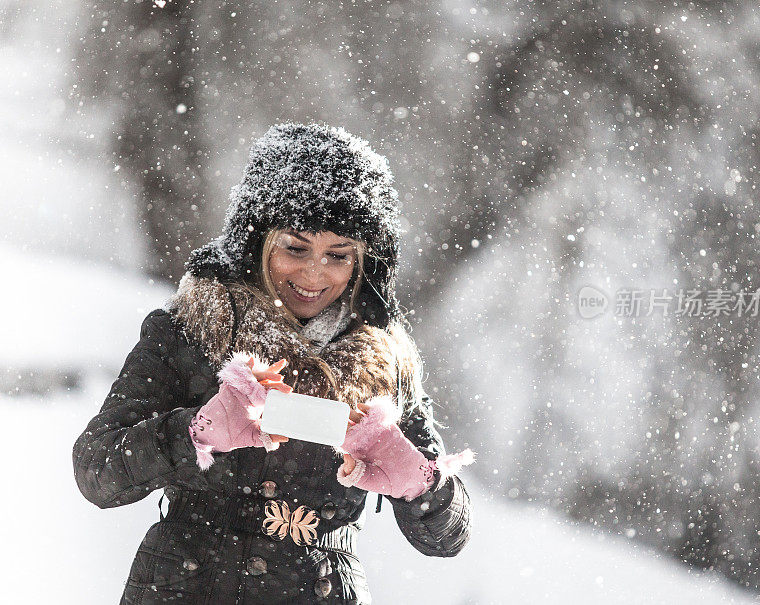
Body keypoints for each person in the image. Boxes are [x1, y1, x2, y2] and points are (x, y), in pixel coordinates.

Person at [72, 122, 475, 604]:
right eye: (295, 247)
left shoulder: (386, 365)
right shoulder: (191, 330)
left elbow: (448, 537)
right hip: (184, 587)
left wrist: (421, 483)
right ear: (257, 241)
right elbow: (97, 470)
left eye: (338, 255)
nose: (313, 274)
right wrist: (196, 432)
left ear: (365, 262)